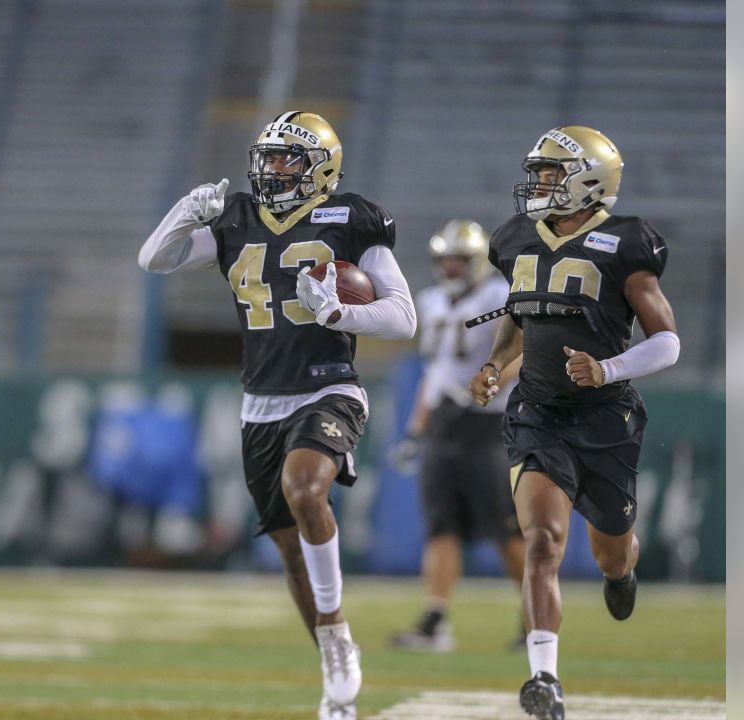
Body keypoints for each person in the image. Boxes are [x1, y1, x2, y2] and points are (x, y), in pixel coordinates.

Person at [139, 111, 416, 720]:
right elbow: (155, 260)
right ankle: (328, 653)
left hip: (329, 387)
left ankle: (338, 629)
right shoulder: (238, 217)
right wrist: (187, 209)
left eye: (288, 158)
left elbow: (402, 316)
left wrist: (340, 316)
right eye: (268, 157)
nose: (273, 168)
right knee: (289, 548)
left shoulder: (352, 217)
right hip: (261, 401)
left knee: (304, 487)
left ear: (321, 167)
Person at [469, 126, 679, 720]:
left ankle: (622, 571)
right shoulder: (516, 238)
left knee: (612, 552)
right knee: (543, 541)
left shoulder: (625, 241)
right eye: (538, 171)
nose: (538, 182)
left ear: (590, 179)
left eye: (551, 172)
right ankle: (544, 678)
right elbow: (519, 311)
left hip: (606, 417)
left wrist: (609, 367)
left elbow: (667, 342)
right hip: (537, 414)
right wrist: (494, 365)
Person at [388, 220, 526, 654]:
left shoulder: (498, 297)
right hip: (445, 422)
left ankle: (536, 616)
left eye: (458, 259)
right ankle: (435, 621)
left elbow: (526, 351)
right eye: (444, 259)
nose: (450, 267)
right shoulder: (428, 302)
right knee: (440, 526)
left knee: (506, 528)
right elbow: (436, 373)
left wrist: (494, 380)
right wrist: (416, 428)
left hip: (487, 423)